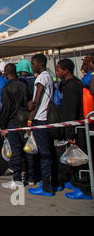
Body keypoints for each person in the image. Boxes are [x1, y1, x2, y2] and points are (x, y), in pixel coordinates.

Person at [55, 59, 92, 199]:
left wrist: (69, 132)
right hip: (77, 126)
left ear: (67, 71)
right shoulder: (74, 83)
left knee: (79, 158)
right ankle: (76, 182)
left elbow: (70, 111)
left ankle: (85, 188)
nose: (57, 72)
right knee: (74, 157)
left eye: (58, 70)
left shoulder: (71, 86)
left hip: (76, 128)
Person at [0, 64, 34, 189]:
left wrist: (3, 126)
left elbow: (6, 109)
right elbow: (29, 103)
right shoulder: (24, 85)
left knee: (16, 151)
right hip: (24, 119)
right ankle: (30, 177)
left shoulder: (6, 88)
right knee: (27, 149)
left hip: (13, 121)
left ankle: (17, 179)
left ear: (5, 73)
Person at [27, 53, 57, 196]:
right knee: (47, 152)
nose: (32, 66)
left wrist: (30, 119)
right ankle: (48, 182)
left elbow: (37, 100)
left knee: (44, 154)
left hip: (41, 118)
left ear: (39, 63)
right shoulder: (48, 76)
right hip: (45, 119)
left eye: (33, 63)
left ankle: (46, 186)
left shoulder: (41, 78)